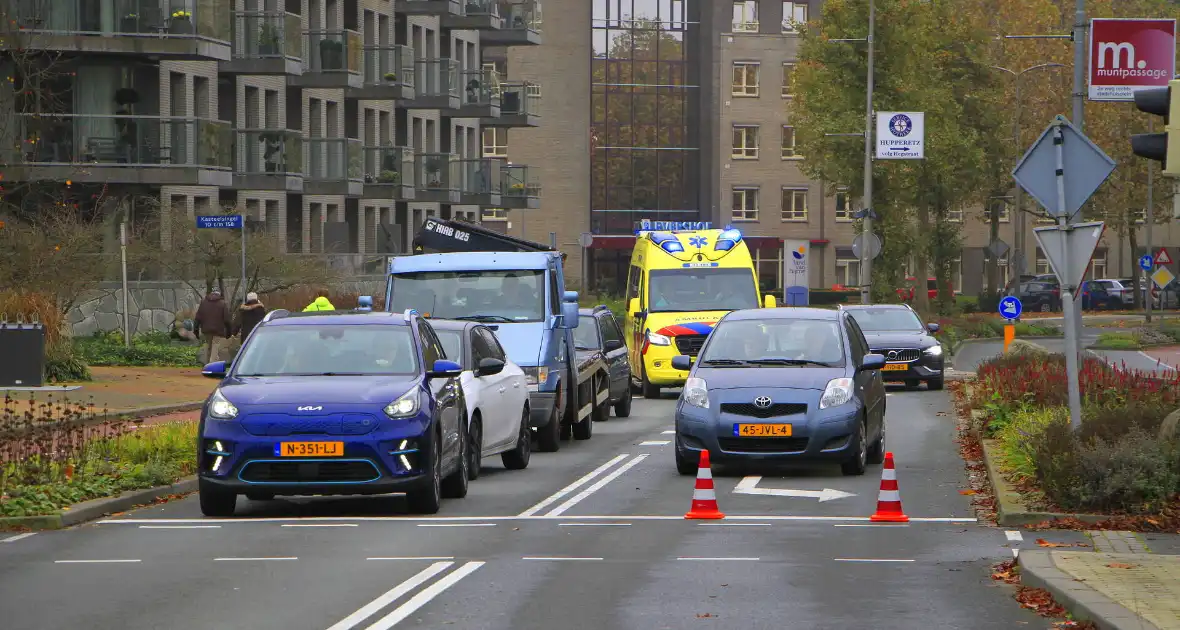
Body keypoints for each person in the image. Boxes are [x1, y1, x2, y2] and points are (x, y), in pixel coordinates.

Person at [194, 290, 233, 363]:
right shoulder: (222, 303)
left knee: (208, 345)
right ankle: (212, 363)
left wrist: (195, 330)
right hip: (218, 330)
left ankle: (207, 362)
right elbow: (227, 320)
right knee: (215, 346)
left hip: (206, 329)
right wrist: (229, 333)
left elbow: (198, 318)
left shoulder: (203, 302)